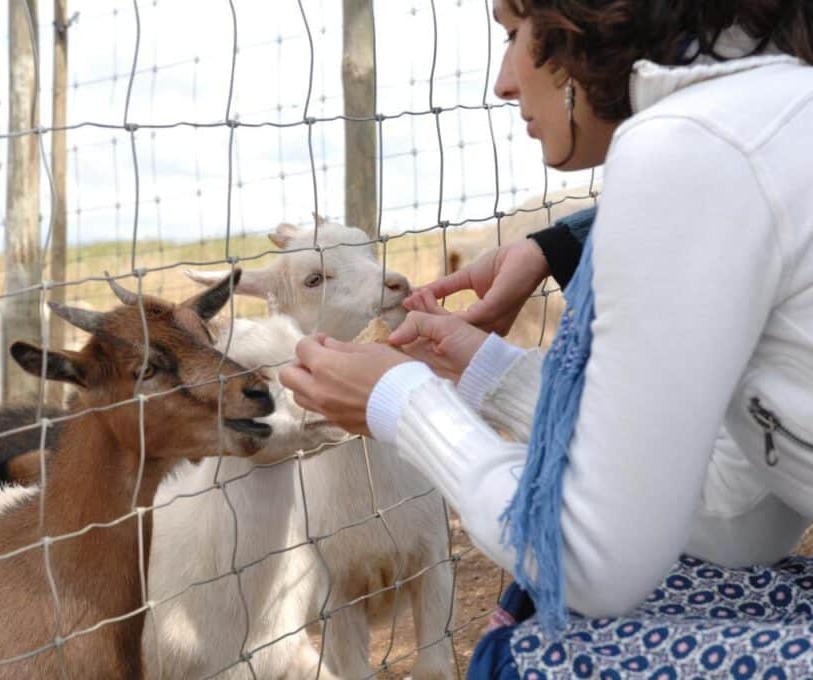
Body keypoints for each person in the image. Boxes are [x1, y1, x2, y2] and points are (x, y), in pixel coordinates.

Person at [281, 0, 813, 674]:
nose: (503, 81)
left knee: (537, 646)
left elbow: (589, 562)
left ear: (577, 26)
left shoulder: (689, 146)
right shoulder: (765, 113)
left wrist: (405, 404)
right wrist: (493, 376)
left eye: (512, 36)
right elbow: (740, 515)